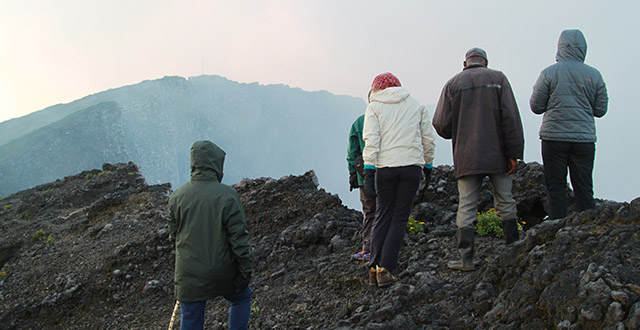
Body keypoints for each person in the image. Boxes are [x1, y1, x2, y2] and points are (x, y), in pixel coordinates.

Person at [433, 48, 524, 271]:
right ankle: (515, 253)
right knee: (505, 201)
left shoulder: (453, 84)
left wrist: (459, 131)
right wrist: (514, 153)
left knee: (467, 206)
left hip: (467, 157)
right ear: (485, 62)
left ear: (465, 63)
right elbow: (510, 118)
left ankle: (466, 260)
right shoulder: (499, 78)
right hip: (498, 155)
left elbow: (441, 124)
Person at [168, 140, 253, 330]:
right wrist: (245, 270)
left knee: (190, 316)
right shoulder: (227, 195)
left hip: (188, 272)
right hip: (222, 270)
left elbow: (173, 235)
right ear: (216, 164)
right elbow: (238, 238)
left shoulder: (177, 196)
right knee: (242, 298)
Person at [363, 72, 436, 287]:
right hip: (411, 167)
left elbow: (371, 140)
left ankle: (374, 266)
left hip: (384, 168)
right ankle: (386, 268)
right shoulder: (417, 106)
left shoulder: (374, 107)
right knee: (399, 218)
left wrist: (369, 169)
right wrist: (428, 165)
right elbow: (427, 139)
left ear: (377, 88)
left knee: (382, 215)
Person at [530, 29, 608, 220]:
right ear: (584, 49)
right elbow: (600, 109)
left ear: (560, 48)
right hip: (584, 139)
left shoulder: (549, 73)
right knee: (584, 186)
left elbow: (536, 106)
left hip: (554, 137)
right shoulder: (595, 75)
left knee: (556, 186)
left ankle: (557, 227)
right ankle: (588, 226)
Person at [347, 92, 375, 261]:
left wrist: (352, 173)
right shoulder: (388, 121)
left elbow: (353, 151)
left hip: (364, 175)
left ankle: (368, 248)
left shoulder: (360, 122)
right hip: (387, 173)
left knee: (369, 210)